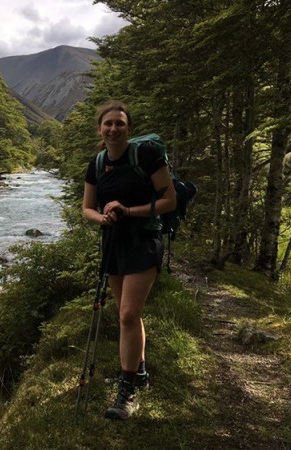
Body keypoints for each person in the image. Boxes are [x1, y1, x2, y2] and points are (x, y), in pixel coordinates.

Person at [82, 101, 176, 420]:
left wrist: (128, 211)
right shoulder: (96, 163)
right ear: (100, 129)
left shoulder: (146, 156)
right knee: (129, 316)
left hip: (144, 240)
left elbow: (168, 199)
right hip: (113, 243)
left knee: (126, 315)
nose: (113, 128)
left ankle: (127, 390)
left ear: (129, 129)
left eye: (120, 123)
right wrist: (102, 218)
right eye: (108, 123)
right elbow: (87, 208)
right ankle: (140, 372)